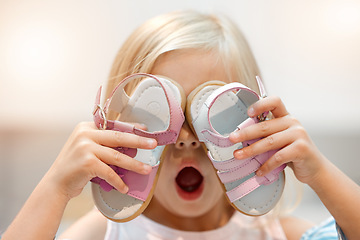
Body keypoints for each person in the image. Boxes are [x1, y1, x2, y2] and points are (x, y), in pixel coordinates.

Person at [2, 10, 360, 240]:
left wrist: (320, 174)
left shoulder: (283, 235)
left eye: (213, 113)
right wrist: (55, 188)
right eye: (158, 115)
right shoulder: (100, 235)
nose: (187, 139)